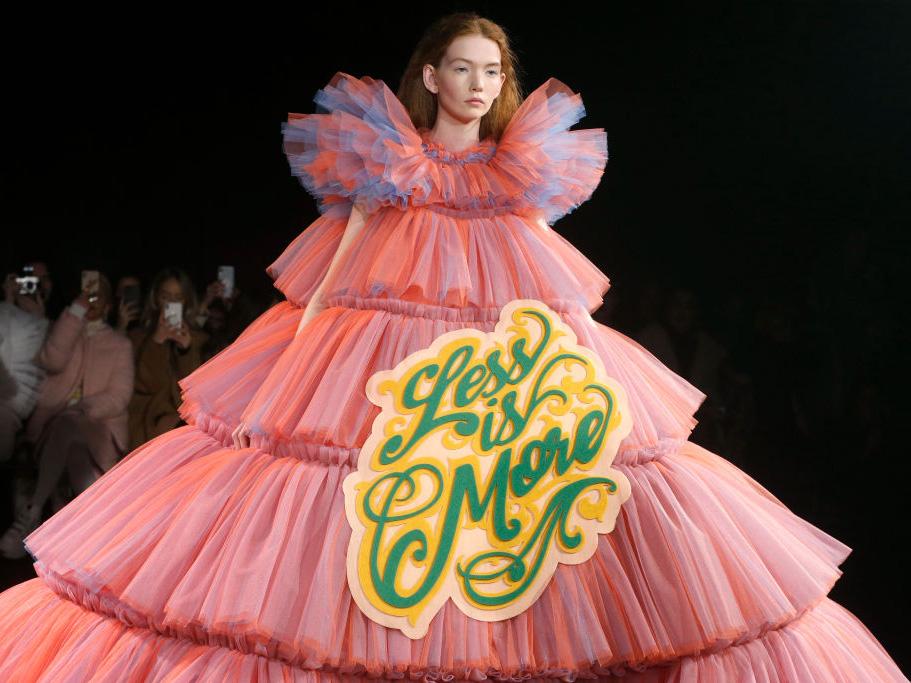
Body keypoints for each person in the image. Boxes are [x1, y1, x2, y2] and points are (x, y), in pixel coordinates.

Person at [0, 13, 904, 681]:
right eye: (463, 69)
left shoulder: (521, 172)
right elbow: (338, 266)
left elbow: (548, 280)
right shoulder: (385, 162)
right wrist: (294, 367)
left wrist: (585, 365)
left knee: (533, 519)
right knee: (356, 508)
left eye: (493, 70)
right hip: (383, 368)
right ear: (429, 76)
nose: (478, 85)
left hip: (509, 376)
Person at [0, 273, 133, 559]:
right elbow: (52, 360)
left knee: (72, 425)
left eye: (99, 293)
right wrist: (75, 313)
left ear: (109, 303)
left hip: (99, 431)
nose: (92, 297)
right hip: (55, 434)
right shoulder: (66, 328)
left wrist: (83, 408)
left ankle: (32, 512)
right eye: (87, 292)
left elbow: (119, 396)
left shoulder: (120, 345)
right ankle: (92, 534)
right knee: (71, 443)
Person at [126, 267, 207, 449]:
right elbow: (148, 384)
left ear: (186, 301)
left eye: (177, 298)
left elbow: (196, 392)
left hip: (184, 418)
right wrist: (157, 341)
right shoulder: (138, 337)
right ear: (156, 298)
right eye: (166, 296)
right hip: (148, 418)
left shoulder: (199, 339)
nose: (171, 303)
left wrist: (186, 350)